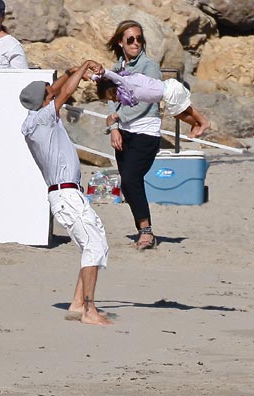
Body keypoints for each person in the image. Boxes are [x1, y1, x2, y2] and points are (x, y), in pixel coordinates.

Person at [19, 62, 111, 325]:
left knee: (96, 243)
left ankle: (78, 303)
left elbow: (54, 91)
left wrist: (72, 70)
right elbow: (63, 94)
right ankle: (89, 312)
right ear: (43, 102)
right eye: (49, 94)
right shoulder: (42, 119)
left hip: (70, 194)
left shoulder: (36, 116)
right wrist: (82, 69)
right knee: (93, 246)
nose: (53, 93)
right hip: (66, 195)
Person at [105, 20, 162, 250]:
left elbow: (147, 101)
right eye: (130, 39)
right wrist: (114, 128)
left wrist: (118, 118)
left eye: (139, 39)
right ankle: (143, 228)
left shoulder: (150, 67)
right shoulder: (116, 69)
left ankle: (147, 232)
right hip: (123, 132)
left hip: (146, 131)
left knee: (131, 178)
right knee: (127, 185)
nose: (135, 43)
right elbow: (111, 97)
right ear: (120, 42)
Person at [89, 61, 210, 138]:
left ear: (114, 89)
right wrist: (91, 76)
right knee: (179, 113)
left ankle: (203, 122)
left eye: (112, 97)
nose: (114, 101)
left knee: (185, 109)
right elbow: (103, 81)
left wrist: (103, 72)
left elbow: (112, 76)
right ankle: (195, 124)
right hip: (167, 93)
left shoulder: (126, 84)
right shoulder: (126, 90)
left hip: (170, 90)